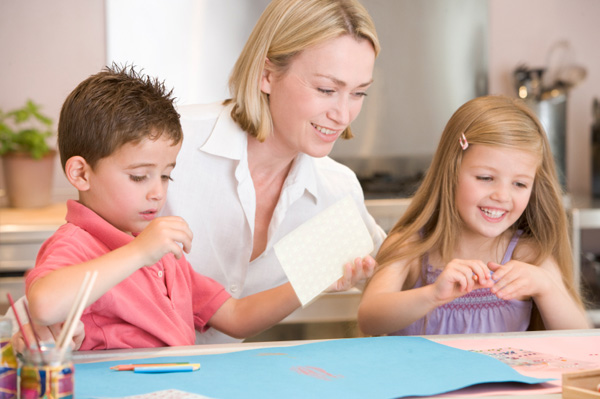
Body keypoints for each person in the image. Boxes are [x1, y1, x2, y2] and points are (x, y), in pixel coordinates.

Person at [21, 65, 365, 351]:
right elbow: (45, 304)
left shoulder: (161, 254)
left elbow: (235, 316)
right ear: (81, 173)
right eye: (139, 177)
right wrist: (141, 251)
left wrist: (315, 279)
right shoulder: (77, 244)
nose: (157, 193)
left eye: (166, 176)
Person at [161, 0, 386, 344]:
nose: (343, 115)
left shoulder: (335, 192)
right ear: (267, 75)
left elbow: (399, 275)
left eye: (358, 93)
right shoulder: (172, 144)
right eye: (326, 89)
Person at [357, 95, 591, 336]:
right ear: (451, 172)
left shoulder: (528, 255)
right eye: (485, 178)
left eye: (519, 184)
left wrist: (546, 288)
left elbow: (581, 337)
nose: (502, 196)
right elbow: (369, 319)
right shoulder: (411, 248)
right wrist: (433, 294)